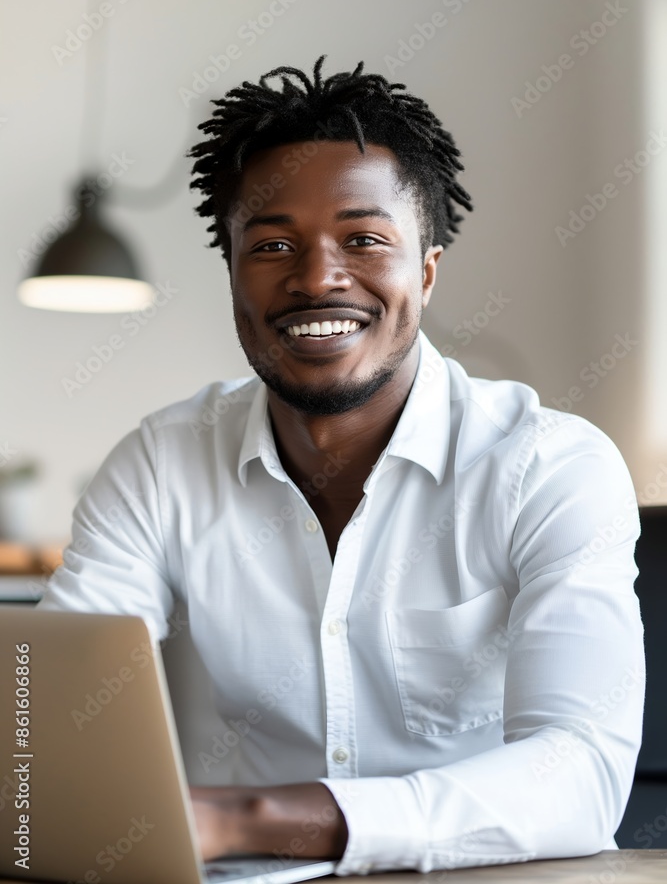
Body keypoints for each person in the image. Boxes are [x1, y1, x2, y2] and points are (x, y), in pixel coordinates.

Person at [37, 56, 645, 874]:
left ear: (425, 271)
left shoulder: (548, 466)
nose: (316, 277)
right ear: (233, 279)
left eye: (363, 239)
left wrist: (248, 818)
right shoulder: (161, 461)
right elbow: (49, 722)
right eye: (273, 244)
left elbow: (579, 776)